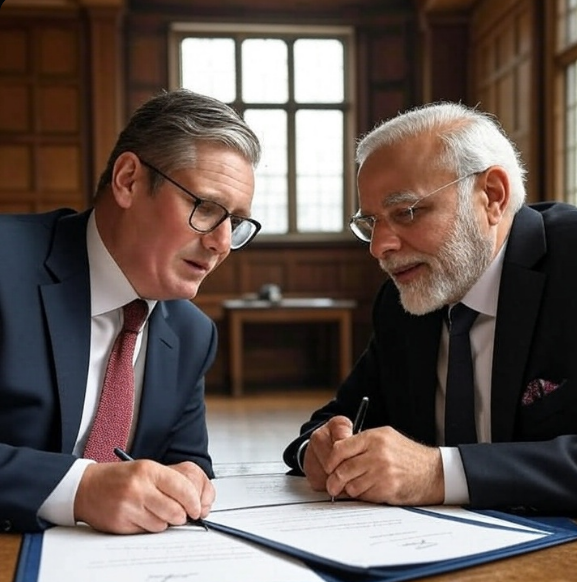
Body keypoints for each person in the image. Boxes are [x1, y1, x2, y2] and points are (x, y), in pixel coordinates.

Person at [283, 100, 577, 516]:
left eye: (406, 212)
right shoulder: (403, 299)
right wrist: (316, 449)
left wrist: (439, 473)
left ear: (492, 196)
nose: (378, 247)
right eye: (371, 222)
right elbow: (338, 418)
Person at [0, 88, 261, 534]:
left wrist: (190, 482)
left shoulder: (192, 333)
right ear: (128, 180)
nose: (220, 244)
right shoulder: (6, 262)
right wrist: (78, 489)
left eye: (234, 223)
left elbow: (187, 459)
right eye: (205, 208)